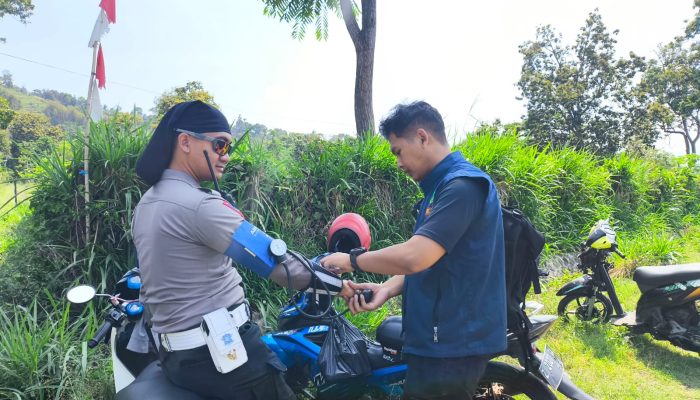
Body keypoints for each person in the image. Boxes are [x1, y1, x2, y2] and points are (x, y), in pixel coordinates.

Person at [131, 100, 353, 400]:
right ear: (185, 141)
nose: (226, 156)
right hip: (223, 357)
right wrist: (341, 286)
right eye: (220, 145)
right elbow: (278, 266)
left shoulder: (146, 204)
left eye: (228, 148)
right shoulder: (199, 206)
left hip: (176, 357)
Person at [321, 101, 507, 400]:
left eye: (397, 151)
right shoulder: (439, 189)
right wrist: (387, 288)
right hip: (438, 341)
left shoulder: (462, 186)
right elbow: (433, 262)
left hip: (452, 346)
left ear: (422, 137)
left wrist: (351, 259)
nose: (398, 163)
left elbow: (415, 255)